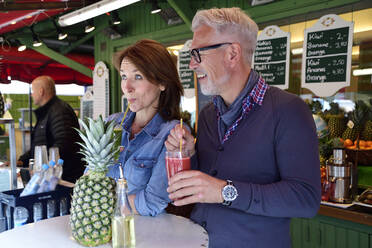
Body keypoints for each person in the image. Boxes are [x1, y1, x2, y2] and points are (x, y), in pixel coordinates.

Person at [165, 7, 321, 248]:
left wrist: (225, 191)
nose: (192, 65)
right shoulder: (208, 115)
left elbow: (305, 199)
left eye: (197, 53)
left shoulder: (288, 110)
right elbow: (206, 184)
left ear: (232, 53)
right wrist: (190, 154)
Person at [107, 39, 184, 216]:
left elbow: (153, 201)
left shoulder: (172, 135)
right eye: (124, 76)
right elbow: (90, 178)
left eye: (138, 77)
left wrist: (103, 203)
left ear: (162, 83)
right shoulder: (111, 124)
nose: (127, 87)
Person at [18, 75, 84, 183]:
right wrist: (22, 160)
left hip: (63, 177)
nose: (31, 95)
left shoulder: (60, 110)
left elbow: (63, 143)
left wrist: (42, 166)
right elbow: (40, 144)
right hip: (51, 175)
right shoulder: (47, 111)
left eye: (33, 91)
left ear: (41, 91)